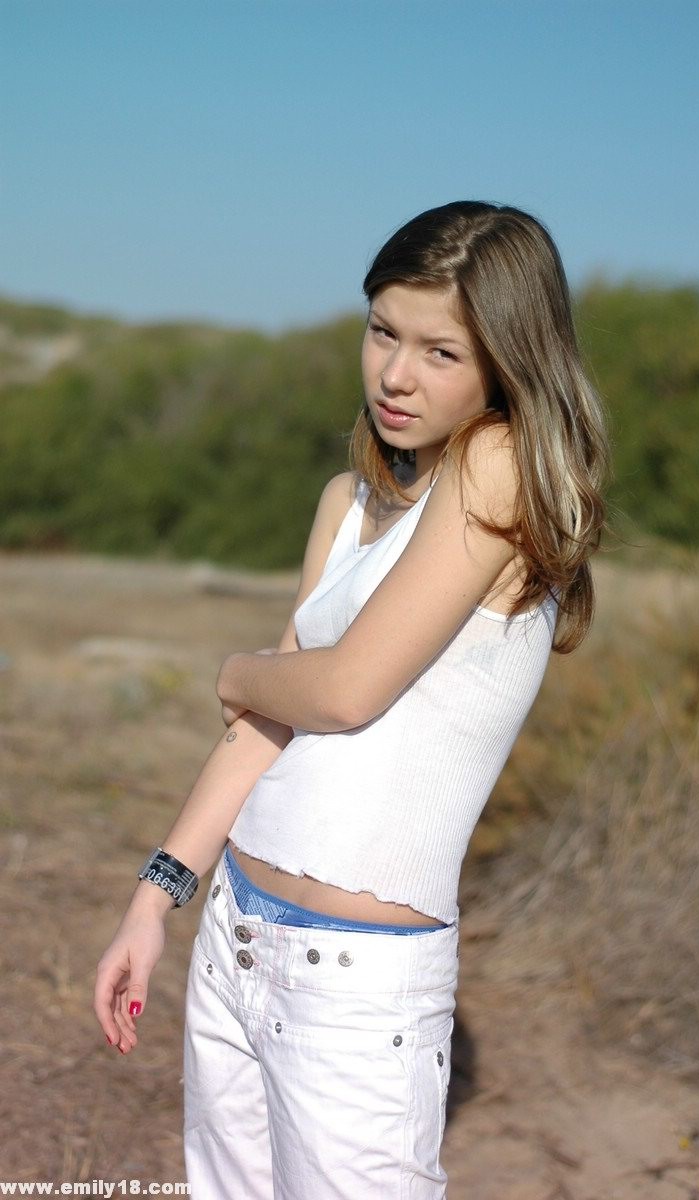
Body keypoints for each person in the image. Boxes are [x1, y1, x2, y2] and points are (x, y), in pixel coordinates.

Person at [94, 200, 609, 1199]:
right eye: (382, 332)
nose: (395, 374)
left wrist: (234, 670)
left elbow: (339, 689)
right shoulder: (347, 502)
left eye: (439, 351)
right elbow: (262, 737)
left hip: (354, 977)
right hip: (234, 938)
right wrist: (154, 899)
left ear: (507, 362)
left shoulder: (500, 468)